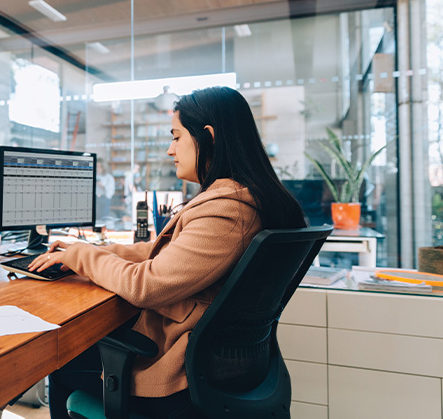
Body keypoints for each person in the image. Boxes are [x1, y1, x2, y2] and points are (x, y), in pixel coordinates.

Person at [29, 86, 307, 419]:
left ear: (209, 137)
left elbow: (144, 286)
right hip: (213, 369)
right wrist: (87, 252)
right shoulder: (243, 200)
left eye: (176, 137)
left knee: (62, 365)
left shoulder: (228, 213)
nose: (169, 149)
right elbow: (163, 252)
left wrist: (81, 257)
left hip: (176, 376)